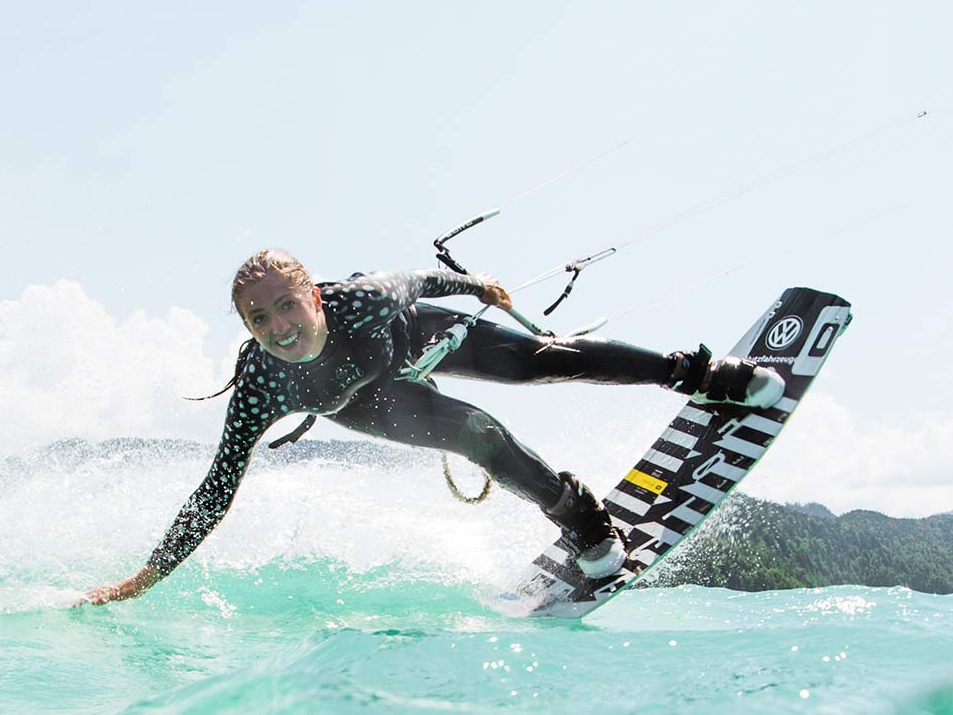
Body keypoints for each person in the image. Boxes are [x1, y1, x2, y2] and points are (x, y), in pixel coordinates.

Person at [81, 249, 782, 604]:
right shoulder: (262, 382)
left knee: (544, 359)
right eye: (258, 319)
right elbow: (216, 489)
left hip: (414, 338)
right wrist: (147, 575)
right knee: (474, 431)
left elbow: (418, 280)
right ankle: (584, 519)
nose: (279, 327)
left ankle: (702, 374)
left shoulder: (360, 299)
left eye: (286, 305)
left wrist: (477, 288)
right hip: (370, 403)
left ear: (314, 295)